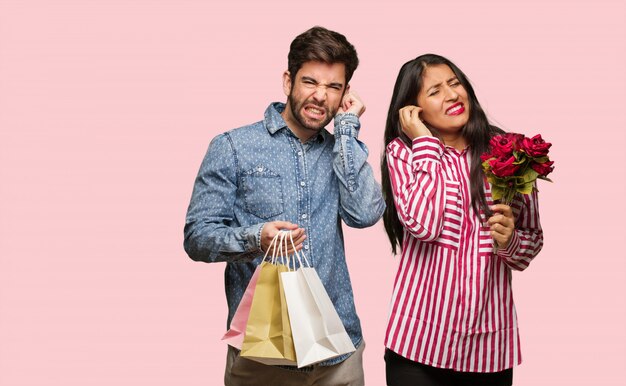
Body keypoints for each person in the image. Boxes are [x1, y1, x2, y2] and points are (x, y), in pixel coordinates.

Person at [184, 26, 384, 386]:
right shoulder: (232, 146)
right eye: (310, 82)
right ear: (288, 81)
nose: (320, 96)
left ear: (346, 94)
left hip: (339, 348)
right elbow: (197, 237)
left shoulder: (340, 149)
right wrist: (255, 238)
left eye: (334, 87)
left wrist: (347, 130)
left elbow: (365, 214)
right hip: (264, 355)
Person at [380, 54, 543, 386]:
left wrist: (509, 240)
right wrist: (425, 143)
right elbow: (424, 227)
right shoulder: (404, 152)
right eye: (435, 91)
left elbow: (531, 242)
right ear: (413, 109)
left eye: (455, 84)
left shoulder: (509, 154)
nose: (452, 95)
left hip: (488, 350)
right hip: (417, 345)